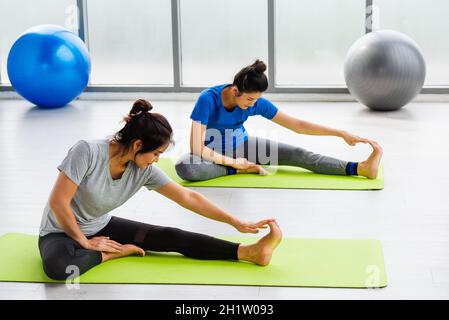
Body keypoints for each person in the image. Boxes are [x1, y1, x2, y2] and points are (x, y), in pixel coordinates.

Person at [38, 99, 282, 281]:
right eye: (155, 153)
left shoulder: (143, 169)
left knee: (168, 235)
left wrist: (235, 222)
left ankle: (248, 252)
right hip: (59, 231)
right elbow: (59, 203)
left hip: (100, 225)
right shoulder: (87, 151)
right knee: (58, 267)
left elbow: (188, 197)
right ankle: (113, 254)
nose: (156, 160)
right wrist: (87, 243)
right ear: (137, 145)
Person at [175, 60, 383, 182]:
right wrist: (235, 164)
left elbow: (298, 126)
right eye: (249, 99)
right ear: (234, 90)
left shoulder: (255, 102)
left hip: (244, 147)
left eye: (256, 99)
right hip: (210, 155)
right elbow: (196, 147)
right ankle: (238, 169)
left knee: (300, 155)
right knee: (185, 167)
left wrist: (341, 133)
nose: (252, 104)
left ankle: (359, 168)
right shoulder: (208, 99)